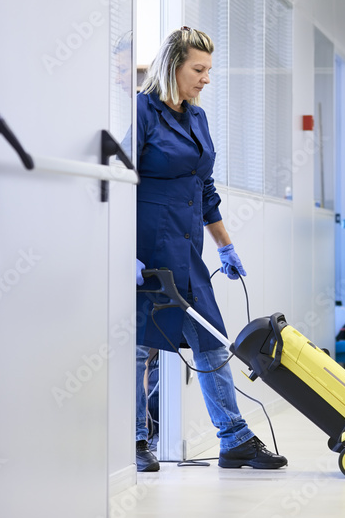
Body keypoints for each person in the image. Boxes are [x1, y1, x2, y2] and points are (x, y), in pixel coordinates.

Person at [133, 26, 286, 472]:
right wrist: (122, 248)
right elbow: (120, 179)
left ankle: (234, 438)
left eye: (208, 70)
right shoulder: (141, 112)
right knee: (141, 348)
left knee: (212, 342)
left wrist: (226, 247)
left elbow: (205, 189)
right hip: (146, 248)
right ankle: (135, 440)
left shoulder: (195, 118)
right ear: (172, 66)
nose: (205, 78)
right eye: (198, 69)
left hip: (187, 248)